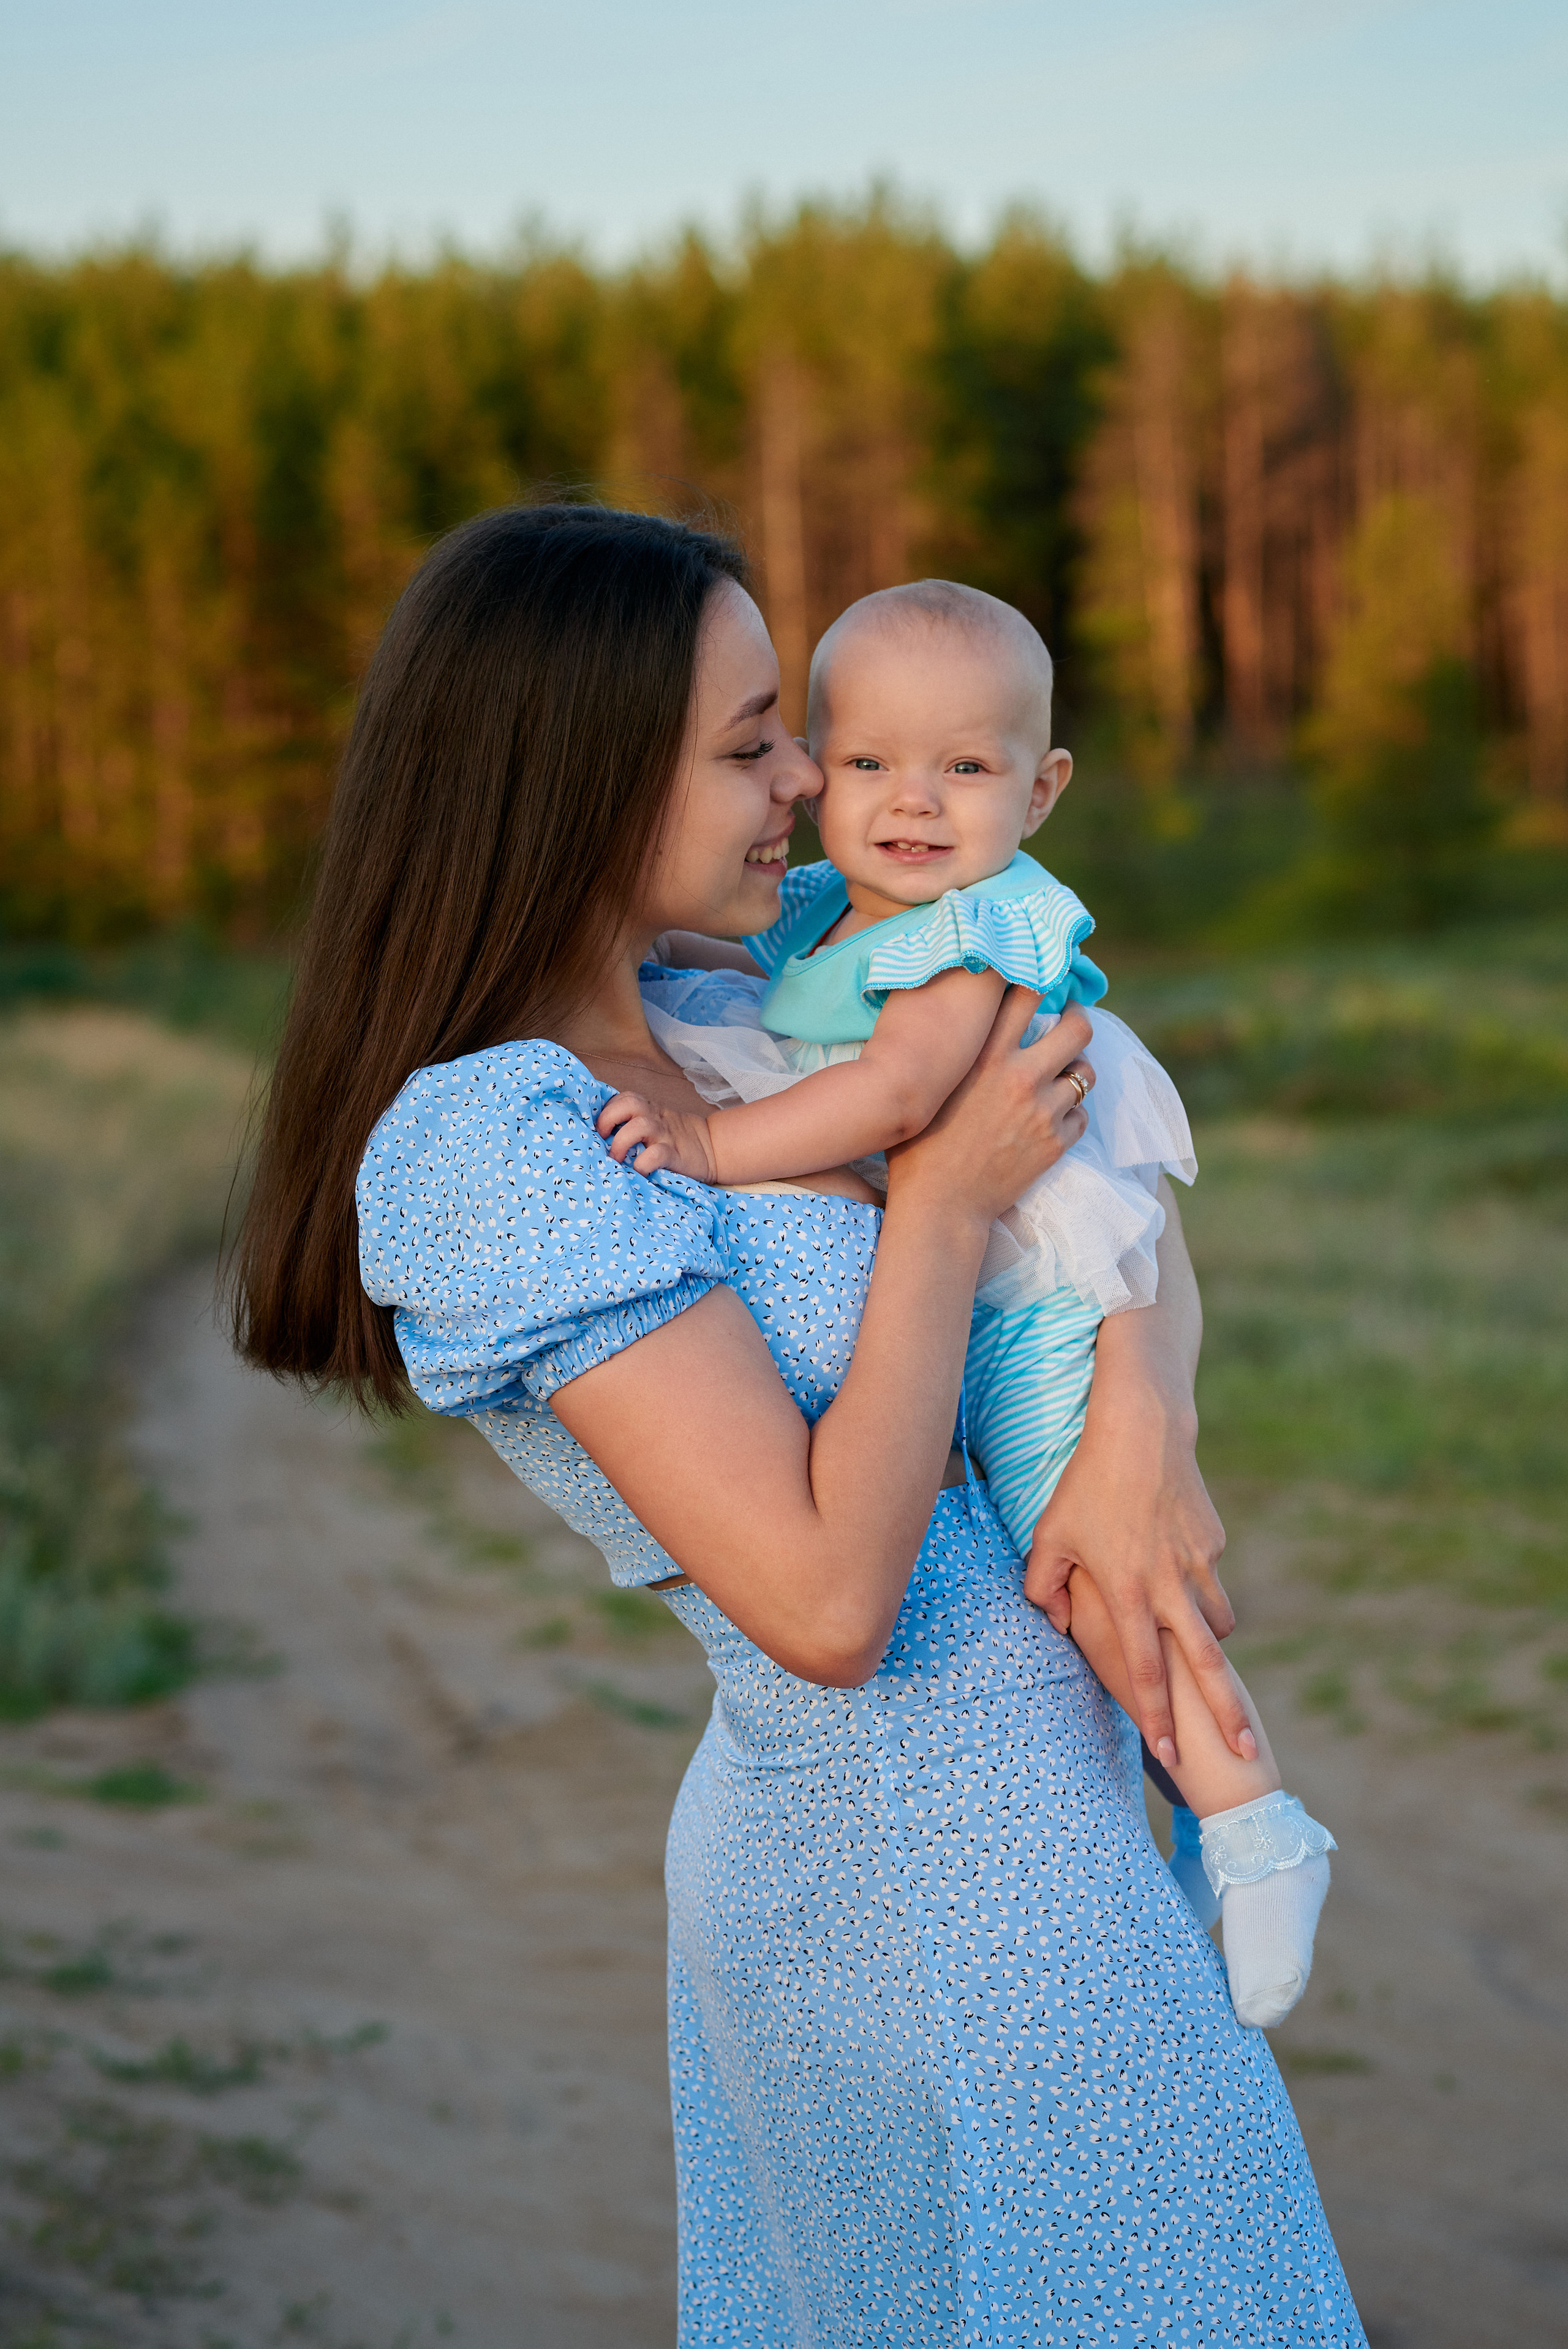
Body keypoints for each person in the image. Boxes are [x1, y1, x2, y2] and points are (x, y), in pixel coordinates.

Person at [233, 503, 1366, 2346]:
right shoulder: (497, 1139)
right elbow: (830, 1606)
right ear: (585, 773)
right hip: (915, 1871)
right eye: (754, 741)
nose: (805, 784)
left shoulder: (732, 1012)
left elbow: (1103, 1191)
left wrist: (1142, 1429)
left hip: (1055, 1814)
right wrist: (940, 1202)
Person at [594, 579, 1335, 2029]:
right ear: (819, 767)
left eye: (965, 767)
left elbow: (893, 1096)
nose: (911, 802)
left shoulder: (975, 932)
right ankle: (1198, 1837)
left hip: (1035, 1304)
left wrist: (709, 1146)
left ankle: (1257, 1820)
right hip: (977, 1299)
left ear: (1039, 791)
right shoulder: (825, 912)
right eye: (867, 761)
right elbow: (727, 972)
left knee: (1098, 1569)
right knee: (1068, 1582)